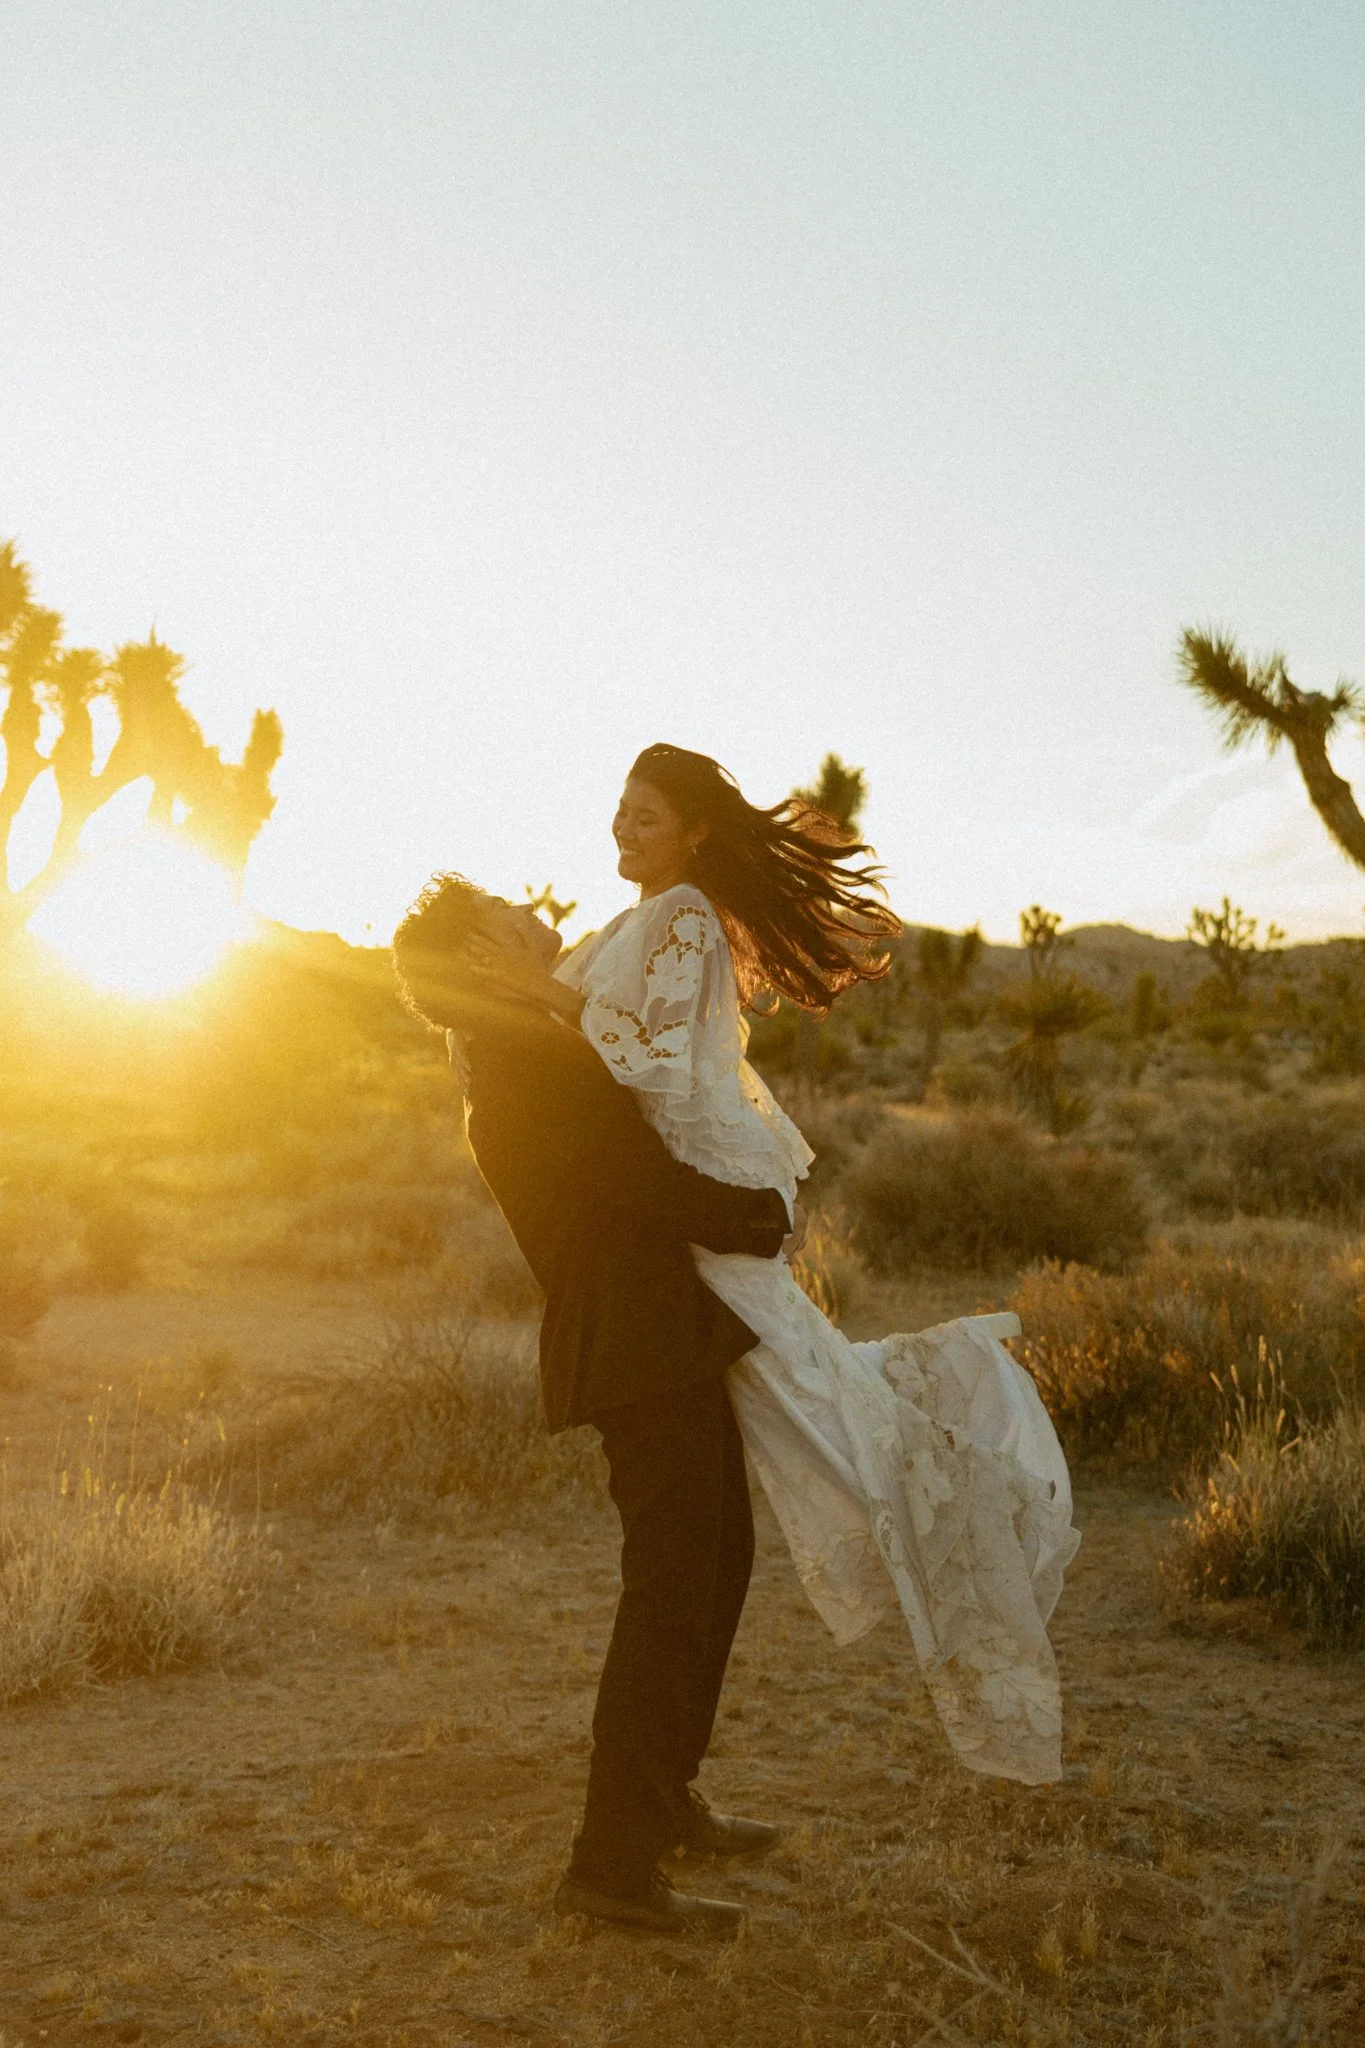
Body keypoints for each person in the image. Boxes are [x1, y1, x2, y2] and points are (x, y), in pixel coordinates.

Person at [470, 744, 1081, 1789]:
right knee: (769, 1464)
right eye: (619, 808)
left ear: (696, 832)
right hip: (675, 1231)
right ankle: (645, 1813)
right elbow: (572, 1061)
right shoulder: (628, 923)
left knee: (781, 1458)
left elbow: (654, 1061)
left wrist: (549, 1002)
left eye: (646, 814)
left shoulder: (682, 914)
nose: (623, 827)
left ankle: (662, 1801)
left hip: (697, 1215)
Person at [392, 878, 800, 1936]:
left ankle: (663, 1803)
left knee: (718, 1561)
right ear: (478, 954)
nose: (529, 910)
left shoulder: (525, 1040)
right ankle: (610, 1869)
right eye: (501, 908)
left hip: (656, 1332)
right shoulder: (519, 1059)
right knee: (669, 1594)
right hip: (636, 1343)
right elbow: (635, 1178)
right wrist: (754, 1214)